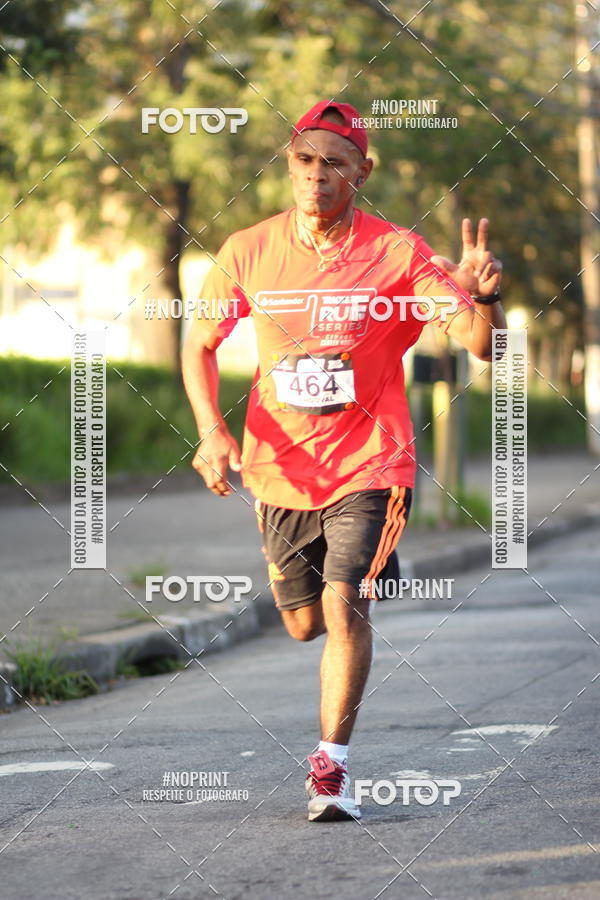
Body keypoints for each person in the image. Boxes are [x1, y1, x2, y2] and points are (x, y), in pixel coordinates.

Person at [182, 100, 506, 822]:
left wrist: (490, 299)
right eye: (304, 160)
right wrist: (211, 428)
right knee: (300, 623)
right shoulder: (248, 250)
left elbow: (482, 344)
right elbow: (198, 344)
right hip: (281, 467)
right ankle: (350, 587)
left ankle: (332, 770)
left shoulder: (399, 252)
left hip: (372, 463)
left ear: (363, 170)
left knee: (343, 600)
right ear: (289, 165)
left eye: (334, 162)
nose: (316, 175)